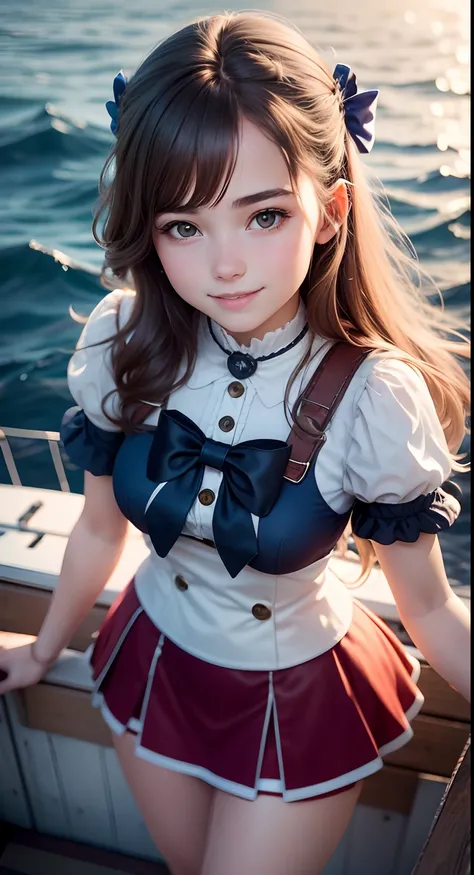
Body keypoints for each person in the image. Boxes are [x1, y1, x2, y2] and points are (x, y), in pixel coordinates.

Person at [0, 11, 470, 875]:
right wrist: (39, 648)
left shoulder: (374, 396)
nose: (225, 266)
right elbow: (100, 529)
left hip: (298, 693)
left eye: (262, 216)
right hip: (153, 657)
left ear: (328, 212)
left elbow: (431, 607)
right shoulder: (122, 339)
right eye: (184, 226)